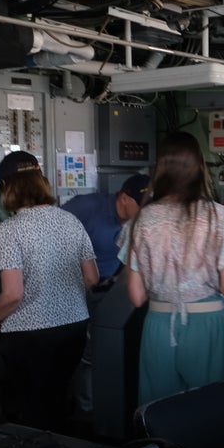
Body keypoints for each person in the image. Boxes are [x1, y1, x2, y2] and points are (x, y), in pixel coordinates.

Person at [122, 131, 224, 406]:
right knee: (210, 411)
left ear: (160, 169)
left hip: (158, 326)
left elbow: (137, 296)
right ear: (200, 168)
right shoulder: (220, 217)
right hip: (208, 325)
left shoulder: (141, 221)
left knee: (161, 414)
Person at [0, 151, 99, 432]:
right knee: (58, 402)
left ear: (6, 187)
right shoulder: (71, 221)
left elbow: (12, 295)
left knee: (30, 412)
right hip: (73, 329)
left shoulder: (10, 230)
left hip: (29, 336)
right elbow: (92, 278)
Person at [61, 173, 149, 421]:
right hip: (75, 292)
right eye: (141, 208)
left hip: (113, 293)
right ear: (124, 198)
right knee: (84, 356)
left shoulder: (140, 223)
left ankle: (108, 411)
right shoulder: (86, 208)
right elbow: (52, 237)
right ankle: (84, 413)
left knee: (108, 352)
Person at [62, 173, 149, 283]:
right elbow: (52, 227)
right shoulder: (87, 206)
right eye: (142, 205)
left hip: (110, 286)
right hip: (75, 285)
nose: (146, 211)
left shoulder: (142, 224)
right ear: (124, 199)